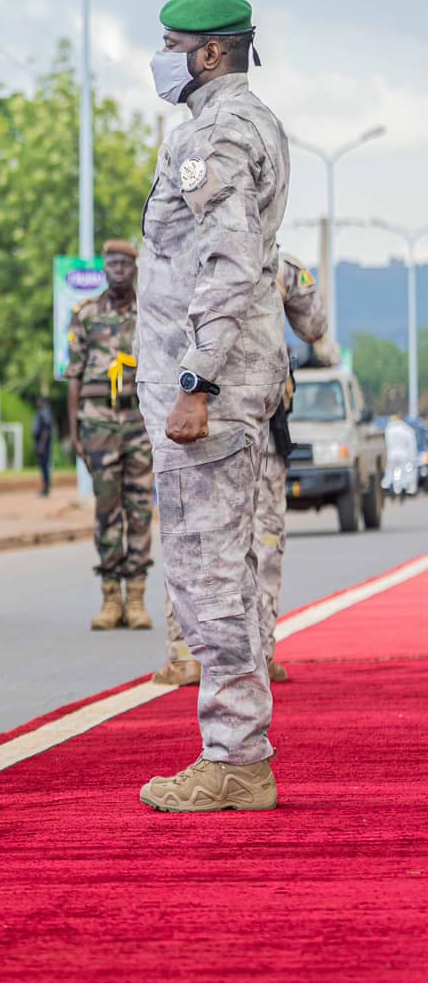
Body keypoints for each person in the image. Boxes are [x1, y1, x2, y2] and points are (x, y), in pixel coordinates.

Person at [133, 0, 288, 814]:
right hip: (223, 380)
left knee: (209, 568)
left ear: (208, 54)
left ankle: (235, 756)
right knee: (221, 564)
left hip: (210, 391)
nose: (160, 57)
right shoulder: (238, 121)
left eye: (170, 44)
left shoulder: (218, 133)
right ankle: (237, 748)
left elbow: (226, 265)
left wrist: (194, 382)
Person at [154, 252, 334, 688]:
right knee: (260, 537)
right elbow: (313, 328)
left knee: (187, 529)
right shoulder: (281, 265)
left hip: (185, 410)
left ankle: (184, 654)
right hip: (256, 419)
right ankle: (259, 655)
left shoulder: (181, 252)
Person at [64, 240, 154, 631]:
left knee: (138, 509)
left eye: (125, 263)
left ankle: (135, 597)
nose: (118, 269)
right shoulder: (85, 316)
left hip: (138, 421)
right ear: (104, 269)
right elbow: (74, 376)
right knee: (106, 510)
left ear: (134, 269)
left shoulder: (149, 314)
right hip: (97, 422)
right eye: (112, 263)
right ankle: (109, 596)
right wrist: (75, 431)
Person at [32, 399, 56, 496]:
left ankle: (45, 489)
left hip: (43, 443)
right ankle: (45, 488)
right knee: (43, 467)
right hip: (42, 443)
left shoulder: (45, 413)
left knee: (44, 466)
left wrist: (41, 445)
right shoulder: (44, 412)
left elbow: (45, 431)